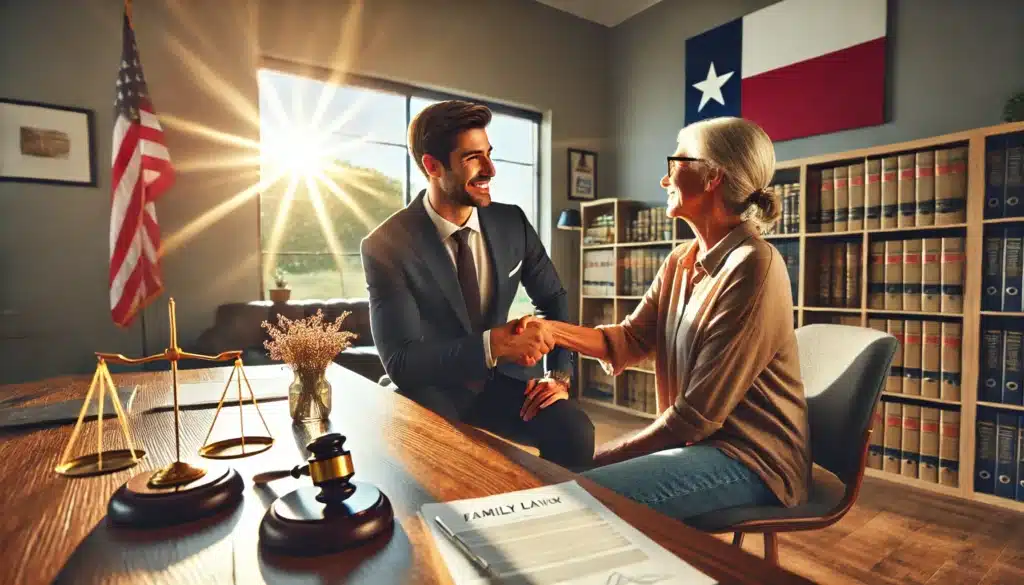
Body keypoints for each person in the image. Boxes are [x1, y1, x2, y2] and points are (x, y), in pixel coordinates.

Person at [516, 116, 811, 520]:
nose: (664, 180)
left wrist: (594, 461)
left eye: (676, 162)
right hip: (699, 447)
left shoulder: (754, 266)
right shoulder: (681, 259)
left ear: (713, 178)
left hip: (754, 460)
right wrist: (551, 330)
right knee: (567, 491)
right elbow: (627, 340)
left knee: (575, 499)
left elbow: (692, 419)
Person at [360, 99, 594, 470]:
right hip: (433, 387)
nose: (490, 170)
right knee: (453, 460)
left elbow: (553, 298)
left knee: (574, 430)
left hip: (501, 383)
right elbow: (401, 361)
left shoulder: (512, 223)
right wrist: (496, 343)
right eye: (473, 158)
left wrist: (559, 374)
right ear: (432, 166)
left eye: (489, 154)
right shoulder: (385, 245)